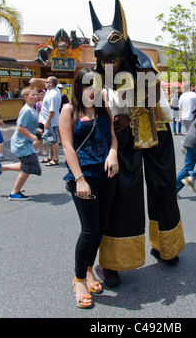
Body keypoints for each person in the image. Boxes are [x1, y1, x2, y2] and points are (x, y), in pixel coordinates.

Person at [89, 0, 185, 287]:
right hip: (122, 135)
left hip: (156, 129)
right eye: (98, 43)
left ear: (123, 39)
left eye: (112, 41)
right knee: (121, 192)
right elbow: (94, 102)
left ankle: (166, 247)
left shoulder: (144, 63)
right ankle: (114, 262)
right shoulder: (100, 68)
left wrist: (128, 116)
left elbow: (152, 96)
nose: (104, 52)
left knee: (163, 187)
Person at [59, 68, 118, 309]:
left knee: (101, 226)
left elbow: (113, 137)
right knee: (89, 229)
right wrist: (80, 179)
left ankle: (88, 268)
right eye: (87, 86)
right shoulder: (69, 110)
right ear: (78, 87)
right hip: (83, 177)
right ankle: (79, 279)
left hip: (107, 174)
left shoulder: (104, 108)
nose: (92, 90)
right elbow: (67, 146)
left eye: (96, 85)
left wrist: (113, 153)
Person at [0, 87, 42, 200]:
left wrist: (36, 131)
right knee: (30, 166)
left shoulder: (32, 109)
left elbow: (28, 126)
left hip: (24, 144)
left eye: (36, 95)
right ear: (25, 97)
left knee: (29, 165)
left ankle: (1, 168)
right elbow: (20, 128)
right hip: (21, 145)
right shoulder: (26, 110)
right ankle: (14, 193)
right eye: (32, 95)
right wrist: (34, 137)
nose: (35, 97)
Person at [29, 76, 61, 166]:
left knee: (54, 140)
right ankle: (50, 157)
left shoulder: (53, 94)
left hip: (51, 122)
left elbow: (52, 111)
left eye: (47, 82)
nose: (45, 83)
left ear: (50, 84)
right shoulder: (51, 90)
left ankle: (55, 159)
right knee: (50, 140)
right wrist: (35, 79)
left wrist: (47, 122)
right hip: (47, 121)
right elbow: (45, 81)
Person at [36, 88, 47, 155]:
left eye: (42, 94)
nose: (41, 95)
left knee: (44, 135)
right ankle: (39, 148)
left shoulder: (46, 103)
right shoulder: (38, 103)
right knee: (38, 135)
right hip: (40, 120)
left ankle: (45, 149)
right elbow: (37, 112)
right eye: (40, 94)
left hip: (45, 120)